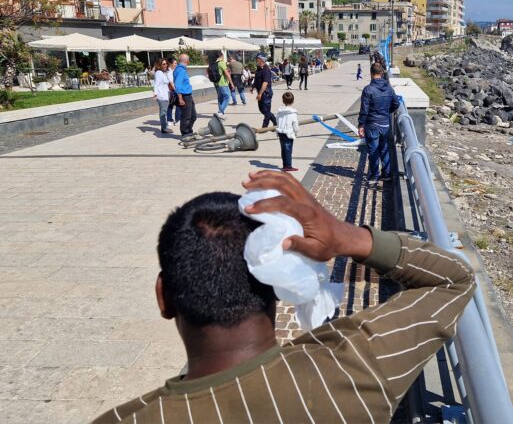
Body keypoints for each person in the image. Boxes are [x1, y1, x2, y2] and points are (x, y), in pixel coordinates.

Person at [93, 170, 475, 424]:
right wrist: (347, 236)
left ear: (164, 297)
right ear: (279, 284)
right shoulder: (356, 369)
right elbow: (454, 280)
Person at [358, 63, 400, 184]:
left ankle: (374, 176)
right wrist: (387, 112)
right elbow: (396, 104)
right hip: (385, 123)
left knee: (373, 150)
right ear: (382, 73)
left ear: (371, 73)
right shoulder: (389, 88)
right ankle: (386, 174)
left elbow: (364, 110)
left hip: (372, 124)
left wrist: (361, 125)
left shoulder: (368, 90)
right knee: (384, 148)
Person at [250, 53, 276, 128]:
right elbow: (257, 79)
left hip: (266, 93)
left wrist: (260, 94)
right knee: (262, 110)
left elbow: (265, 83)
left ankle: (265, 127)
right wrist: (253, 87)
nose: (256, 60)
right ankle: (275, 122)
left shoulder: (266, 70)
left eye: (257, 59)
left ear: (261, 60)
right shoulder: (259, 69)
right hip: (261, 92)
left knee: (266, 110)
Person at [276, 91, 300, 172]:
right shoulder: (293, 113)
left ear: (283, 101)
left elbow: (277, 121)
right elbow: (295, 124)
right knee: (288, 149)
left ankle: (284, 165)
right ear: (293, 101)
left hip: (280, 132)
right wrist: (296, 132)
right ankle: (288, 166)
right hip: (288, 133)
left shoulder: (279, 112)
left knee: (283, 149)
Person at [174, 54, 196, 137]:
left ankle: (189, 131)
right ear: (187, 61)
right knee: (186, 116)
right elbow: (178, 85)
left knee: (193, 116)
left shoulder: (180, 69)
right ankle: (185, 133)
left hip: (188, 95)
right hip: (184, 96)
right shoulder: (181, 71)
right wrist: (180, 98)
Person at [152, 58, 173, 134]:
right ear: (159, 65)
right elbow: (156, 84)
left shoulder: (165, 72)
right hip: (161, 95)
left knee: (164, 111)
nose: (165, 65)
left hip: (166, 94)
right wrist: (155, 94)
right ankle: (163, 128)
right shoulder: (159, 73)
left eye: (166, 63)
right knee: (163, 112)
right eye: (163, 64)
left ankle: (164, 127)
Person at [211, 51, 234, 120]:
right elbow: (227, 74)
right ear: (221, 56)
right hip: (223, 83)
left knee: (220, 99)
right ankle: (220, 112)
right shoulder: (221, 63)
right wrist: (231, 83)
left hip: (216, 84)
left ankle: (221, 114)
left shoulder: (213, 64)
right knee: (227, 97)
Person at [166, 57, 180, 130]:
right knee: (170, 105)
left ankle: (177, 120)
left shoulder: (176, 70)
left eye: (176, 63)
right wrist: (176, 90)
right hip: (171, 90)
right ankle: (169, 120)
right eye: (174, 63)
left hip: (176, 89)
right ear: (171, 64)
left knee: (178, 105)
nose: (176, 64)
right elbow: (171, 82)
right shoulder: (168, 71)